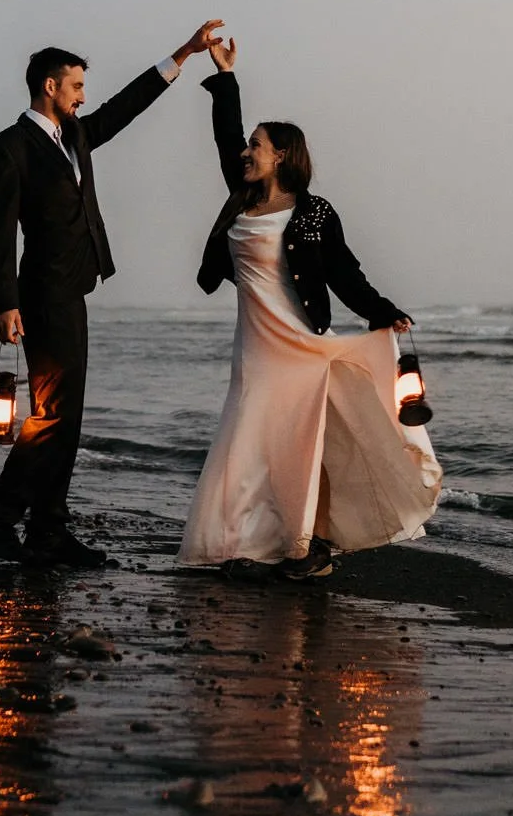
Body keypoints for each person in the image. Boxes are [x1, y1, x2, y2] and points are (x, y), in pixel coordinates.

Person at [179, 36, 441, 578]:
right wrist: (225, 77)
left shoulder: (314, 213)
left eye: (258, 146)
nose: (246, 152)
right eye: (248, 145)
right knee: (247, 439)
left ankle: (302, 545)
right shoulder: (242, 195)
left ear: (281, 156)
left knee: (295, 445)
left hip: (300, 343)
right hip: (255, 345)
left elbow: (346, 272)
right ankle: (242, 544)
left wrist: (382, 311)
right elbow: (224, 133)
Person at [0, 21, 225, 567]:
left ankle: (46, 532)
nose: (84, 97)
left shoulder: (76, 135)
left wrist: (185, 53)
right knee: (54, 415)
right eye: (76, 86)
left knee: (65, 416)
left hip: (73, 289)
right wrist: (4, 303)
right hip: (41, 292)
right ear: (49, 88)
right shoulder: (9, 148)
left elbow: (124, 107)